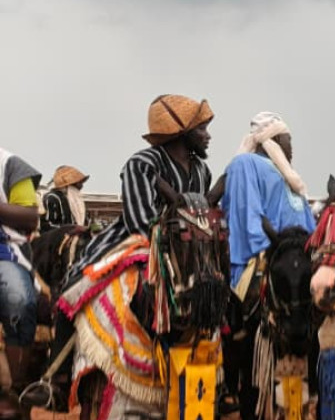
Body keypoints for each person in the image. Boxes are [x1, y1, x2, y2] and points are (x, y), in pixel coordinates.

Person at [66, 95, 215, 287]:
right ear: (182, 132)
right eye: (201, 129)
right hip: (140, 244)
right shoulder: (142, 163)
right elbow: (141, 225)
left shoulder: (202, 170)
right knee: (81, 287)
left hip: (191, 252)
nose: (208, 136)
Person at [221, 112, 314, 291]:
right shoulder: (246, 163)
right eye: (289, 140)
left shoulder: (289, 174)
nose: (292, 147)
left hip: (300, 256)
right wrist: (269, 248)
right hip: (269, 259)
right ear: (277, 138)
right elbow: (245, 212)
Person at [0, 148, 42, 404]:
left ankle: (12, 390)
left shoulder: (8, 164)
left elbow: (30, 219)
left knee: (18, 299)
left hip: (4, 251)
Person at [41, 165, 89, 230]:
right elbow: (48, 225)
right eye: (79, 183)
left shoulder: (77, 200)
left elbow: (85, 222)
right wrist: (70, 229)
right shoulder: (52, 198)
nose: (81, 186)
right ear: (68, 185)